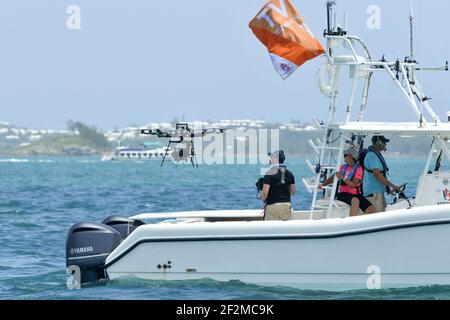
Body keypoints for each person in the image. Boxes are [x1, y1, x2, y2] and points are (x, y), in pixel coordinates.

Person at [319, 147, 377, 216]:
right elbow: (331, 179)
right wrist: (322, 185)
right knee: (355, 201)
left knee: (372, 210)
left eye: (345, 155)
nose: (344, 158)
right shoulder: (342, 167)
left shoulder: (359, 169)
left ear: (350, 156)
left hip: (355, 194)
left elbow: (353, 185)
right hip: (343, 194)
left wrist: (342, 177)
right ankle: (351, 222)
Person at [363, 135, 401, 212]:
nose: (385, 145)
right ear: (379, 142)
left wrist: (388, 188)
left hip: (378, 192)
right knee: (378, 217)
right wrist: (393, 186)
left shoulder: (376, 154)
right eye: (384, 142)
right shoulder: (371, 155)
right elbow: (378, 176)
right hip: (374, 193)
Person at [261, 150, 296, 221]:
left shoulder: (269, 173)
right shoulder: (290, 174)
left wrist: (263, 199)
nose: (270, 159)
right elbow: (293, 192)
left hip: (272, 206)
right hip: (286, 205)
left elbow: (265, 194)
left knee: (270, 230)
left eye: (271, 157)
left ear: (275, 159)